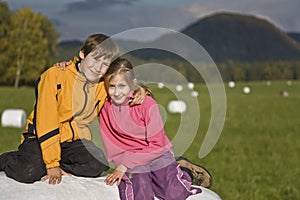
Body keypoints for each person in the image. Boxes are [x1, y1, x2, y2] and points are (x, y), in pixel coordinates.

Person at [0, 33, 146, 185]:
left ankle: (49, 164)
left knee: (98, 163)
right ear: (82, 54)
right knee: (29, 172)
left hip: (72, 141)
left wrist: (138, 90)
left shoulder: (103, 85)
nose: (98, 68)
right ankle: (7, 159)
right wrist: (52, 164)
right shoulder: (54, 76)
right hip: (40, 137)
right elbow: (46, 120)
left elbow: (122, 87)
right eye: (95, 59)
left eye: (105, 64)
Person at [99, 58, 212, 200]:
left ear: (133, 84)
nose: (116, 92)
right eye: (112, 86)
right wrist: (124, 164)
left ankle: (184, 172)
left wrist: (129, 162)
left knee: (173, 193)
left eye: (122, 86)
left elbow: (157, 145)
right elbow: (112, 146)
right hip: (128, 159)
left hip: (156, 153)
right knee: (141, 187)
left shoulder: (147, 104)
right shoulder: (106, 110)